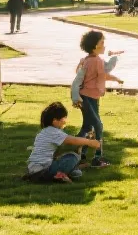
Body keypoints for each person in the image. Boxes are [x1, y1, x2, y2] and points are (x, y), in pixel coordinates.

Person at [70, 30, 124, 168]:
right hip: (86, 98)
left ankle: (79, 155)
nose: (104, 45)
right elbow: (105, 70)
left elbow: (101, 75)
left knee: (88, 126)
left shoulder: (90, 60)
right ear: (95, 46)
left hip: (92, 98)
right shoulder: (93, 61)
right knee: (98, 126)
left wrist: (116, 79)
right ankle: (96, 157)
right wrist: (115, 58)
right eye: (102, 43)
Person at [24, 102, 102, 183]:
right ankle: (57, 176)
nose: (65, 122)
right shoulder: (53, 132)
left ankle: (60, 175)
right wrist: (89, 142)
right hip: (42, 170)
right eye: (63, 119)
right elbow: (72, 140)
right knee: (73, 157)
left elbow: (62, 150)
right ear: (54, 120)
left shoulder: (45, 131)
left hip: (33, 170)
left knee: (77, 173)